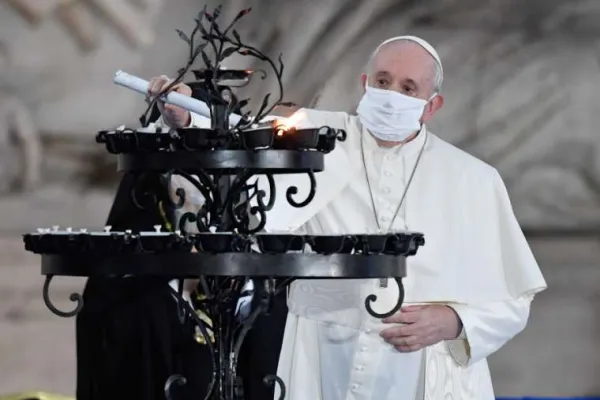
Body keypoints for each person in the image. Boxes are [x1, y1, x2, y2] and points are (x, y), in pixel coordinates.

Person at [149, 35, 547, 400]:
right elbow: (240, 142)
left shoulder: (473, 179)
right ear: (365, 83)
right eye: (383, 81)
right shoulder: (315, 140)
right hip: (320, 354)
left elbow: (514, 298)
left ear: (432, 106)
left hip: (425, 369)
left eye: (409, 88)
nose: (392, 95)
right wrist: (187, 116)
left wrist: (455, 321)